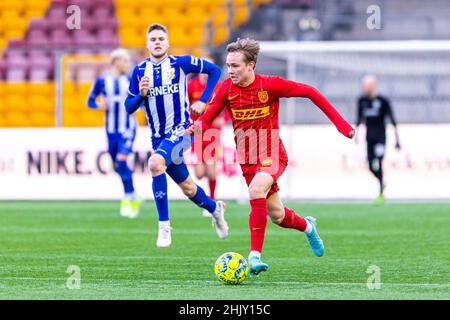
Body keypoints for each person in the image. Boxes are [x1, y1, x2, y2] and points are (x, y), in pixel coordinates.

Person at [188, 38, 355, 277]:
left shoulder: (270, 85)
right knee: (277, 215)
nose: (230, 71)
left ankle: (254, 256)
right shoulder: (225, 88)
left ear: (251, 65)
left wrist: (341, 125)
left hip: (272, 153)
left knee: (256, 190)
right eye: (228, 65)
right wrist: (195, 127)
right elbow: (208, 117)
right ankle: (308, 226)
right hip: (247, 159)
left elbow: (310, 92)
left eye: (235, 66)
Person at [124, 23, 229, 248]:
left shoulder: (180, 63)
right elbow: (128, 107)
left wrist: (203, 101)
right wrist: (141, 95)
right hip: (158, 138)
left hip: (182, 131)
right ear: (147, 44)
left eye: (161, 38)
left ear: (168, 42)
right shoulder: (139, 71)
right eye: (153, 39)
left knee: (154, 163)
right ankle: (215, 209)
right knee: (189, 187)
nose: (157, 42)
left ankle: (164, 227)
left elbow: (215, 71)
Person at [87, 48, 143, 218]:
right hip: (111, 130)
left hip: (128, 128)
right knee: (117, 166)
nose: (128, 64)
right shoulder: (102, 81)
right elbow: (90, 101)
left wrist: (138, 105)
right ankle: (133, 194)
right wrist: (99, 105)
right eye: (125, 61)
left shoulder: (131, 80)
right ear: (115, 62)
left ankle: (128, 198)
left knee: (121, 160)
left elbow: (141, 99)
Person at [188, 55, 230, 217]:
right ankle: (209, 198)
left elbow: (228, 107)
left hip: (213, 133)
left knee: (212, 171)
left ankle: (212, 201)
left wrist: (224, 119)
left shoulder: (219, 86)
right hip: (197, 132)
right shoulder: (191, 86)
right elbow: (185, 105)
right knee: (199, 173)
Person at [356, 74, 401, 204]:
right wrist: (357, 134)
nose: (364, 88)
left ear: (372, 86)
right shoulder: (362, 101)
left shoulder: (383, 101)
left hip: (381, 138)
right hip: (369, 137)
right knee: (370, 165)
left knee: (379, 162)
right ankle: (382, 182)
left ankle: (381, 191)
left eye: (366, 85)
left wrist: (398, 139)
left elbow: (392, 120)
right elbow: (359, 118)